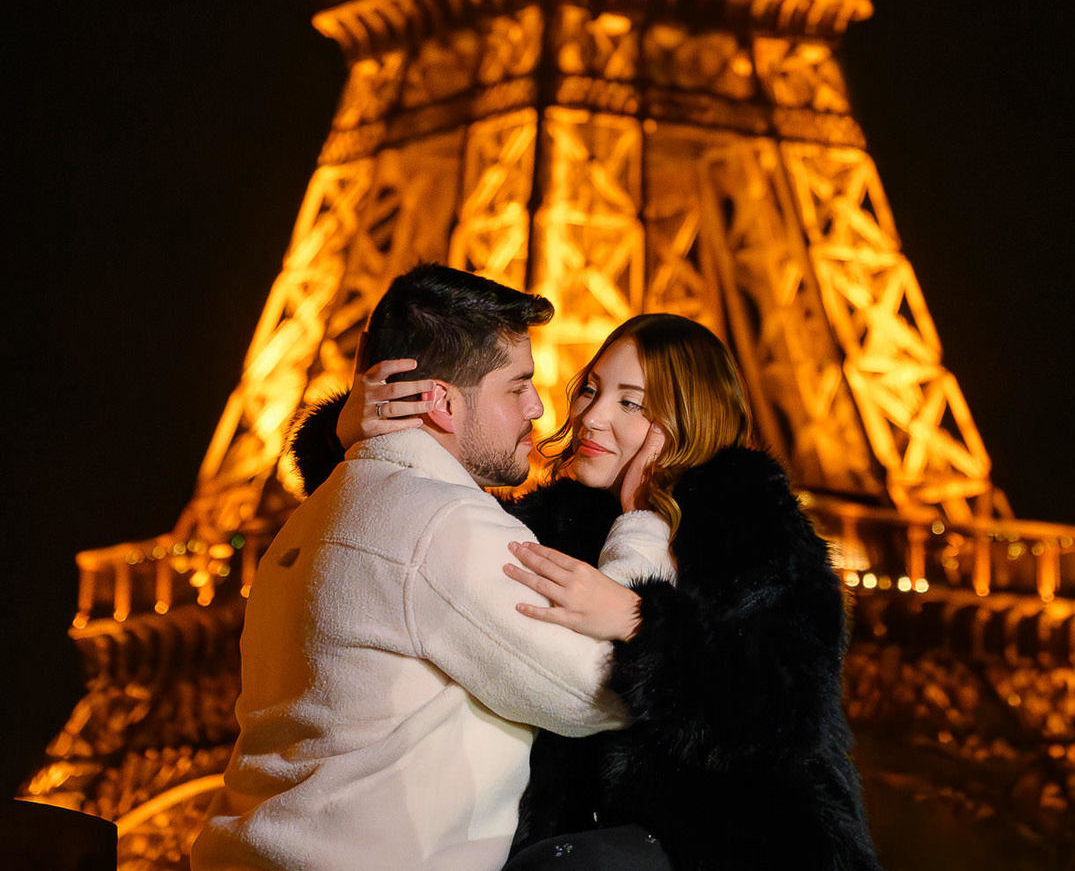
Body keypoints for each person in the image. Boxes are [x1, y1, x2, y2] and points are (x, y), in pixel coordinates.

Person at [297, 310, 884, 871]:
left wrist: (642, 622)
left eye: (631, 403)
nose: (592, 416)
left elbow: (784, 712)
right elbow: (411, 539)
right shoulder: (561, 518)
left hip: (741, 848)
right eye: (591, 390)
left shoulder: (750, 520)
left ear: (687, 419)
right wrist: (346, 439)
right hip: (587, 845)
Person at [192, 265, 670, 871]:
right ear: (440, 402)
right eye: (516, 386)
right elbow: (598, 690)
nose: (539, 406)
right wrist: (642, 522)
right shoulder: (441, 525)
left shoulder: (316, 516)